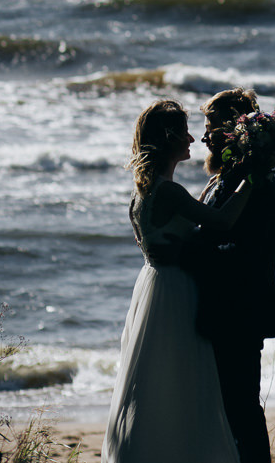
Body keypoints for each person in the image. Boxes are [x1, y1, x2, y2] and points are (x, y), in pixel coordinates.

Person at [102, 98, 252, 463]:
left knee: (155, 380)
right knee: (181, 379)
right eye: (185, 132)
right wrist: (252, 179)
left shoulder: (144, 192)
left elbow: (180, 224)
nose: (192, 139)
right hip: (174, 293)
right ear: (169, 138)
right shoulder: (169, 192)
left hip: (151, 287)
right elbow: (222, 221)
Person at [192, 87, 275, 463]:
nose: (204, 137)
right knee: (233, 408)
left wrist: (187, 252)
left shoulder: (252, 184)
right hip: (230, 309)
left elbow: (242, 250)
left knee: (241, 409)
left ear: (233, 131)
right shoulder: (235, 178)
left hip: (237, 311)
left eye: (210, 128)